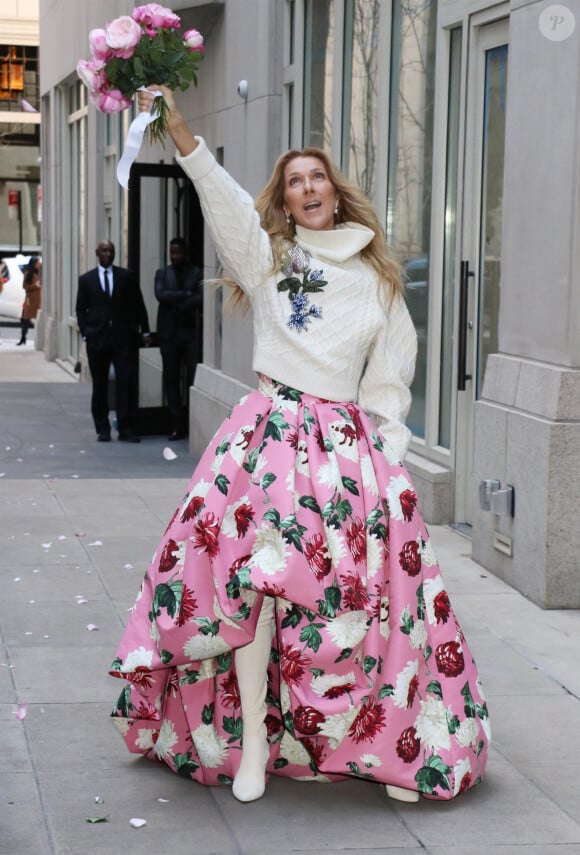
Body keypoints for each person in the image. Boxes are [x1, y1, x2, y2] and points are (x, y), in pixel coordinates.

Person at [110, 87, 490, 805]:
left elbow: (389, 382)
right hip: (268, 438)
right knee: (250, 585)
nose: (308, 187)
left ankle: (379, 741)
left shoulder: (377, 279)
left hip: (347, 452)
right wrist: (184, 136)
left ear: (336, 194)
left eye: (318, 177)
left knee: (364, 599)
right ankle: (254, 738)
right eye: (294, 181)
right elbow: (223, 202)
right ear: (284, 201)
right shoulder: (269, 261)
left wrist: (387, 459)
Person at [76, 241, 151, 442]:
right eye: (104, 251)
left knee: (125, 383)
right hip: (97, 340)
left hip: (123, 339)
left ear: (115, 254)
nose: (107, 254)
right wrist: (86, 332)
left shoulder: (126, 277)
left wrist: (145, 330)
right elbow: (80, 309)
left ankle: (126, 427)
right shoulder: (86, 280)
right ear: (96, 253)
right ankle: (102, 428)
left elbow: (138, 304)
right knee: (99, 385)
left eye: (111, 251)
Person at [155, 237, 204, 440]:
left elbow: (201, 297)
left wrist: (177, 300)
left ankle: (192, 422)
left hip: (189, 333)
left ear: (185, 253)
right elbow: (160, 295)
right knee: (171, 380)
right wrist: (185, 294)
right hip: (169, 334)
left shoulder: (196, 272)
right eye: (172, 253)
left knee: (192, 377)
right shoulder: (163, 274)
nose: (175, 256)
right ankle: (177, 423)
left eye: (179, 253)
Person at [18, 256, 42, 346]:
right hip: (30, 300)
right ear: (34, 264)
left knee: (38, 318)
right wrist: (35, 286)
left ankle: (38, 339)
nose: (39, 265)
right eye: (37, 263)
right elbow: (25, 287)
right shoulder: (28, 274)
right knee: (26, 319)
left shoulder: (38, 274)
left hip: (39, 300)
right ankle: (23, 337)